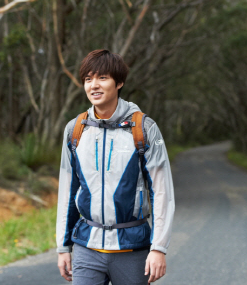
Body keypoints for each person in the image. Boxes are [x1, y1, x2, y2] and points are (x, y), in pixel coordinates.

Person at [56, 49, 175, 285]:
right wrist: (63, 246)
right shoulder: (75, 130)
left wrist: (159, 247)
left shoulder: (143, 128)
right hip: (86, 246)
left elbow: (162, 192)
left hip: (132, 249)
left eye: (102, 78)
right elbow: (67, 192)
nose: (94, 86)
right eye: (88, 79)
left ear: (119, 82)